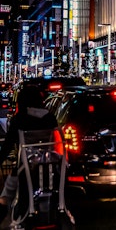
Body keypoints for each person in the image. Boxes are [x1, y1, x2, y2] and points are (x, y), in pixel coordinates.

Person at [0, 85, 58, 223]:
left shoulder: (20, 119)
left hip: (24, 168)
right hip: (49, 167)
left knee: (5, 197)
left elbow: (8, 144)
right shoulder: (50, 118)